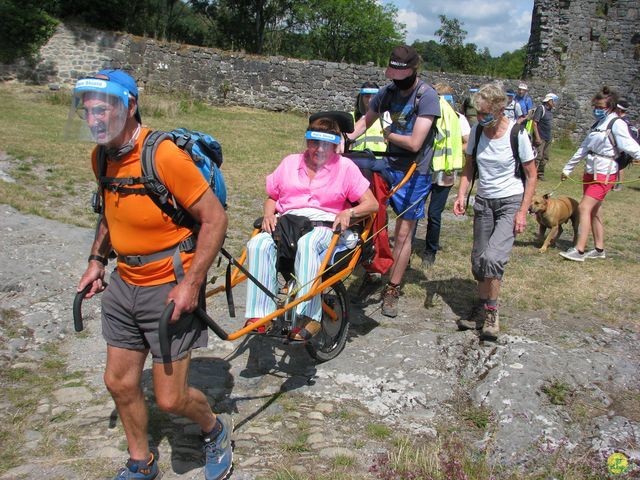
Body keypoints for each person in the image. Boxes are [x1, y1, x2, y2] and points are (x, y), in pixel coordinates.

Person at [73, 69, 232, 480]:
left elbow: (214, 219)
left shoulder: (161, 155)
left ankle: (215, 429)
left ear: (129, 106)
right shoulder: (102, 155)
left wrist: (192, 283)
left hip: (168, 287)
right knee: (119, 382)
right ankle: (141, 462)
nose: (95, 118)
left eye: (104, 108)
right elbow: (110, 212)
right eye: (88, 110)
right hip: (124, 284)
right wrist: (97, 260)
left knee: (170, 398)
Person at [244, 114, 378, 340]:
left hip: (324, 224)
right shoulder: (290, 163)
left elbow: (372, 203)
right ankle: (260, 316)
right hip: (289, 224)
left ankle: (309, 316)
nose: (319, 149)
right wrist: (268, 213)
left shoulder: (345, 167)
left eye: (326, 144)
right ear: (307, 142)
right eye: (314, 142)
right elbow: (272, 197)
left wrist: (349, 211)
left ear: (336, 145)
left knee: (309, 244)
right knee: (257, 244)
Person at [348, 44, 440, 318]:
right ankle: (369, 263)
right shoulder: (386, 92)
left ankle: (393, 287)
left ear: (413, 71)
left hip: (415, 171)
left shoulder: (427, 97)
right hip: (387, 163)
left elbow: (414, 143)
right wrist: (344, 138)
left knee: (403, 232)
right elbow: (364, 122)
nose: (395, 81)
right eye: (393, 75)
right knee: (368, 215)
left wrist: (388, 134)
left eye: (401, 76)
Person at [453, 84, 537, 341]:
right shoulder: (478, 132)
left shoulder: (517, 134)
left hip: (510, 202)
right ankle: (481, 306)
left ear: (501, 110)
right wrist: (461, 194)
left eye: (486, 113)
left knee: (492, 258)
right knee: (478, 260)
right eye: (478, 113)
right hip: (484, 202)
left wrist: (523, 211)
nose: (481, 118)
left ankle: (491, 313)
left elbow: (531, 176)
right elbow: (469, 168)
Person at [559, 87, 640, 262]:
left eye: (601, 107)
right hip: (590, 172)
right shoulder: (597, 125)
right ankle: (599, 248)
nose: (597, 110)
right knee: (595, 211)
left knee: (584, 208)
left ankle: (579, 249)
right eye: (595, 106)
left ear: (610, 107)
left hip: (605, 173)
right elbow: (583, 148)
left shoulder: (616, 123)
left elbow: (630, 145)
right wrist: (568, 168)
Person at [349, 82, 394, 299]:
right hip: (353, 171)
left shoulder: (385, 118)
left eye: (372, 96)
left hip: (378, 172)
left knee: (377, 218)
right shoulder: (352, 118)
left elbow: (390, 140)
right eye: (365, 96)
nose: (369, 100)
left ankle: (375, 262)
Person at [421, 83, 469, 266]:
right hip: (425, 171)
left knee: (434, 213)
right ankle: (407, 251)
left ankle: (430, 251)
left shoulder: (459, 119)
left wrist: (452, 152)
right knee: (416, 212)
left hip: (445, 173)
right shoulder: (427, 115)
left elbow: (467, 142)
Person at [612, 98, 637, 191]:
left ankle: (619, 184)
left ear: (619, 109)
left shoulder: (623, 122)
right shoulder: (625, 121)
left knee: (619, 166)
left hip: (622, 150)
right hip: (619, 149)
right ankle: (613, 183)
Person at [531, 93, 559, 180]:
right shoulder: (541, 108)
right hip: (541, 137)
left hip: (548, 137)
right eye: (554, 101)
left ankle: (540, 174)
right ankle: (532, 174)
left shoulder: (550, 111)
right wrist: (537, 137)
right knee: (538, 157)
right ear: (549, 101)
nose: (555, 103)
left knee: (545, 156)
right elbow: (534, 123)